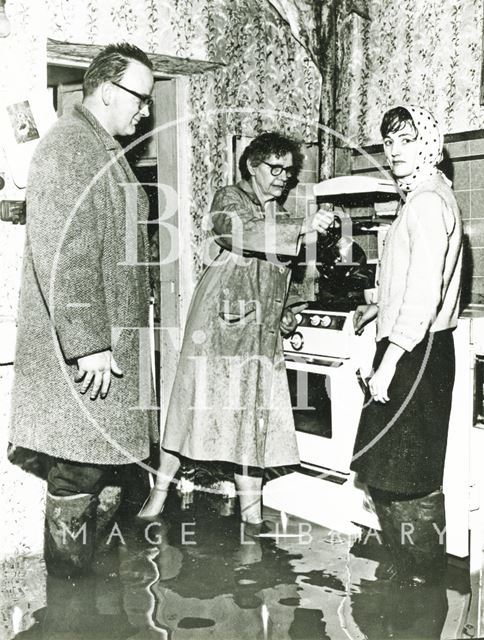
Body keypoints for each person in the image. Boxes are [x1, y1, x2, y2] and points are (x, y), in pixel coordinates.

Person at [9, 43, 157, 575]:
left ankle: (96, 607)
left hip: (111, 349)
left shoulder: (102, 148)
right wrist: (88, 343)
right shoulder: (69, 147)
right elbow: (63, 253)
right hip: (90, 353)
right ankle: (70, 607)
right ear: (107, 91)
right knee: (78, 473)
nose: (145, 110)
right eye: (140, 99)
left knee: (109, 470)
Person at [138, 132, 334, 525]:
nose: (282, 178)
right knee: (189, 413)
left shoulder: (279, 213)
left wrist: (287, 309)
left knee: (252, 421)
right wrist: (304, 225)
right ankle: (157, 498)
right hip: (217, 329)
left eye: (289, 171)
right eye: (274, 169)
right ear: (251, 165)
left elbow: (278, 275)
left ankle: (252, 515)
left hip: (259, 334)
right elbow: (239, 234)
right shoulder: (229, 199)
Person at [351, 105, 462, 586]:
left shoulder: (427, 202)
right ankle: (407, 571)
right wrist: (380, 305)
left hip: (415, 353)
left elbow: (423, 296)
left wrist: (389, 362)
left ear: (429, 143)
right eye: (389, 141)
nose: (395, 150)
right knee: (384, 471)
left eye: (407, 139)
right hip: (409, 344)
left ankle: (422, 583)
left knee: (409, 480)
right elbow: (412, 280)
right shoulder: (423, 193)